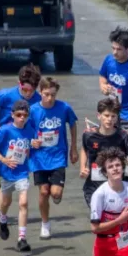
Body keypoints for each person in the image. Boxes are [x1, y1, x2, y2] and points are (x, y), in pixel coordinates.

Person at [80, 98, 128, 256]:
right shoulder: (89, 134)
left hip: (117, 189)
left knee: (116, 230)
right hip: (94, 188)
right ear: (99, 116)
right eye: (106, 116)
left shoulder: (123, 136)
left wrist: (122, 162)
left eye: (113, 116)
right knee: (100, 228)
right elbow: (84, 150)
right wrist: (83, 167)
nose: (109, 119)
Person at [0, 63, 41, 229]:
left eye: (32, 90)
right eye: (25, 89)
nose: (28, 94)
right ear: (19, 84)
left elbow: (38, 121)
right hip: (2, 143)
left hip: (22, 145)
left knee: (12, 178)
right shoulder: (6, 94)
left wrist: (34, 140)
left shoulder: (38, 100)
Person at [28, 77, 78, 240]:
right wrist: (31, 141)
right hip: (38, 157)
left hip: (58, 156)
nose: (50, 98)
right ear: (40, 92)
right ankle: (45, 224)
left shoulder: (64, 108)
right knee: (44, 191)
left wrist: (73, 148)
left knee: (55, 193)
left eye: (53, 95)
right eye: (46, 94)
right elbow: (25, 130)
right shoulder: (33, 110)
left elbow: (73, 124)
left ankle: (56, 194)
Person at [0, 100, 35, 252]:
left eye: (25, 115)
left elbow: (30, 149)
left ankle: (22, 239)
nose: (22, 118)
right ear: (12, 115)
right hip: (7, 173)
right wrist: (3, 160)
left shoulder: (29, 130)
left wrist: (34, 146)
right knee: (5, 203)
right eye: (19, 115)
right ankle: (2, 219)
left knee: (23, 203)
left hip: (22, 173)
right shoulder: (5, 130)